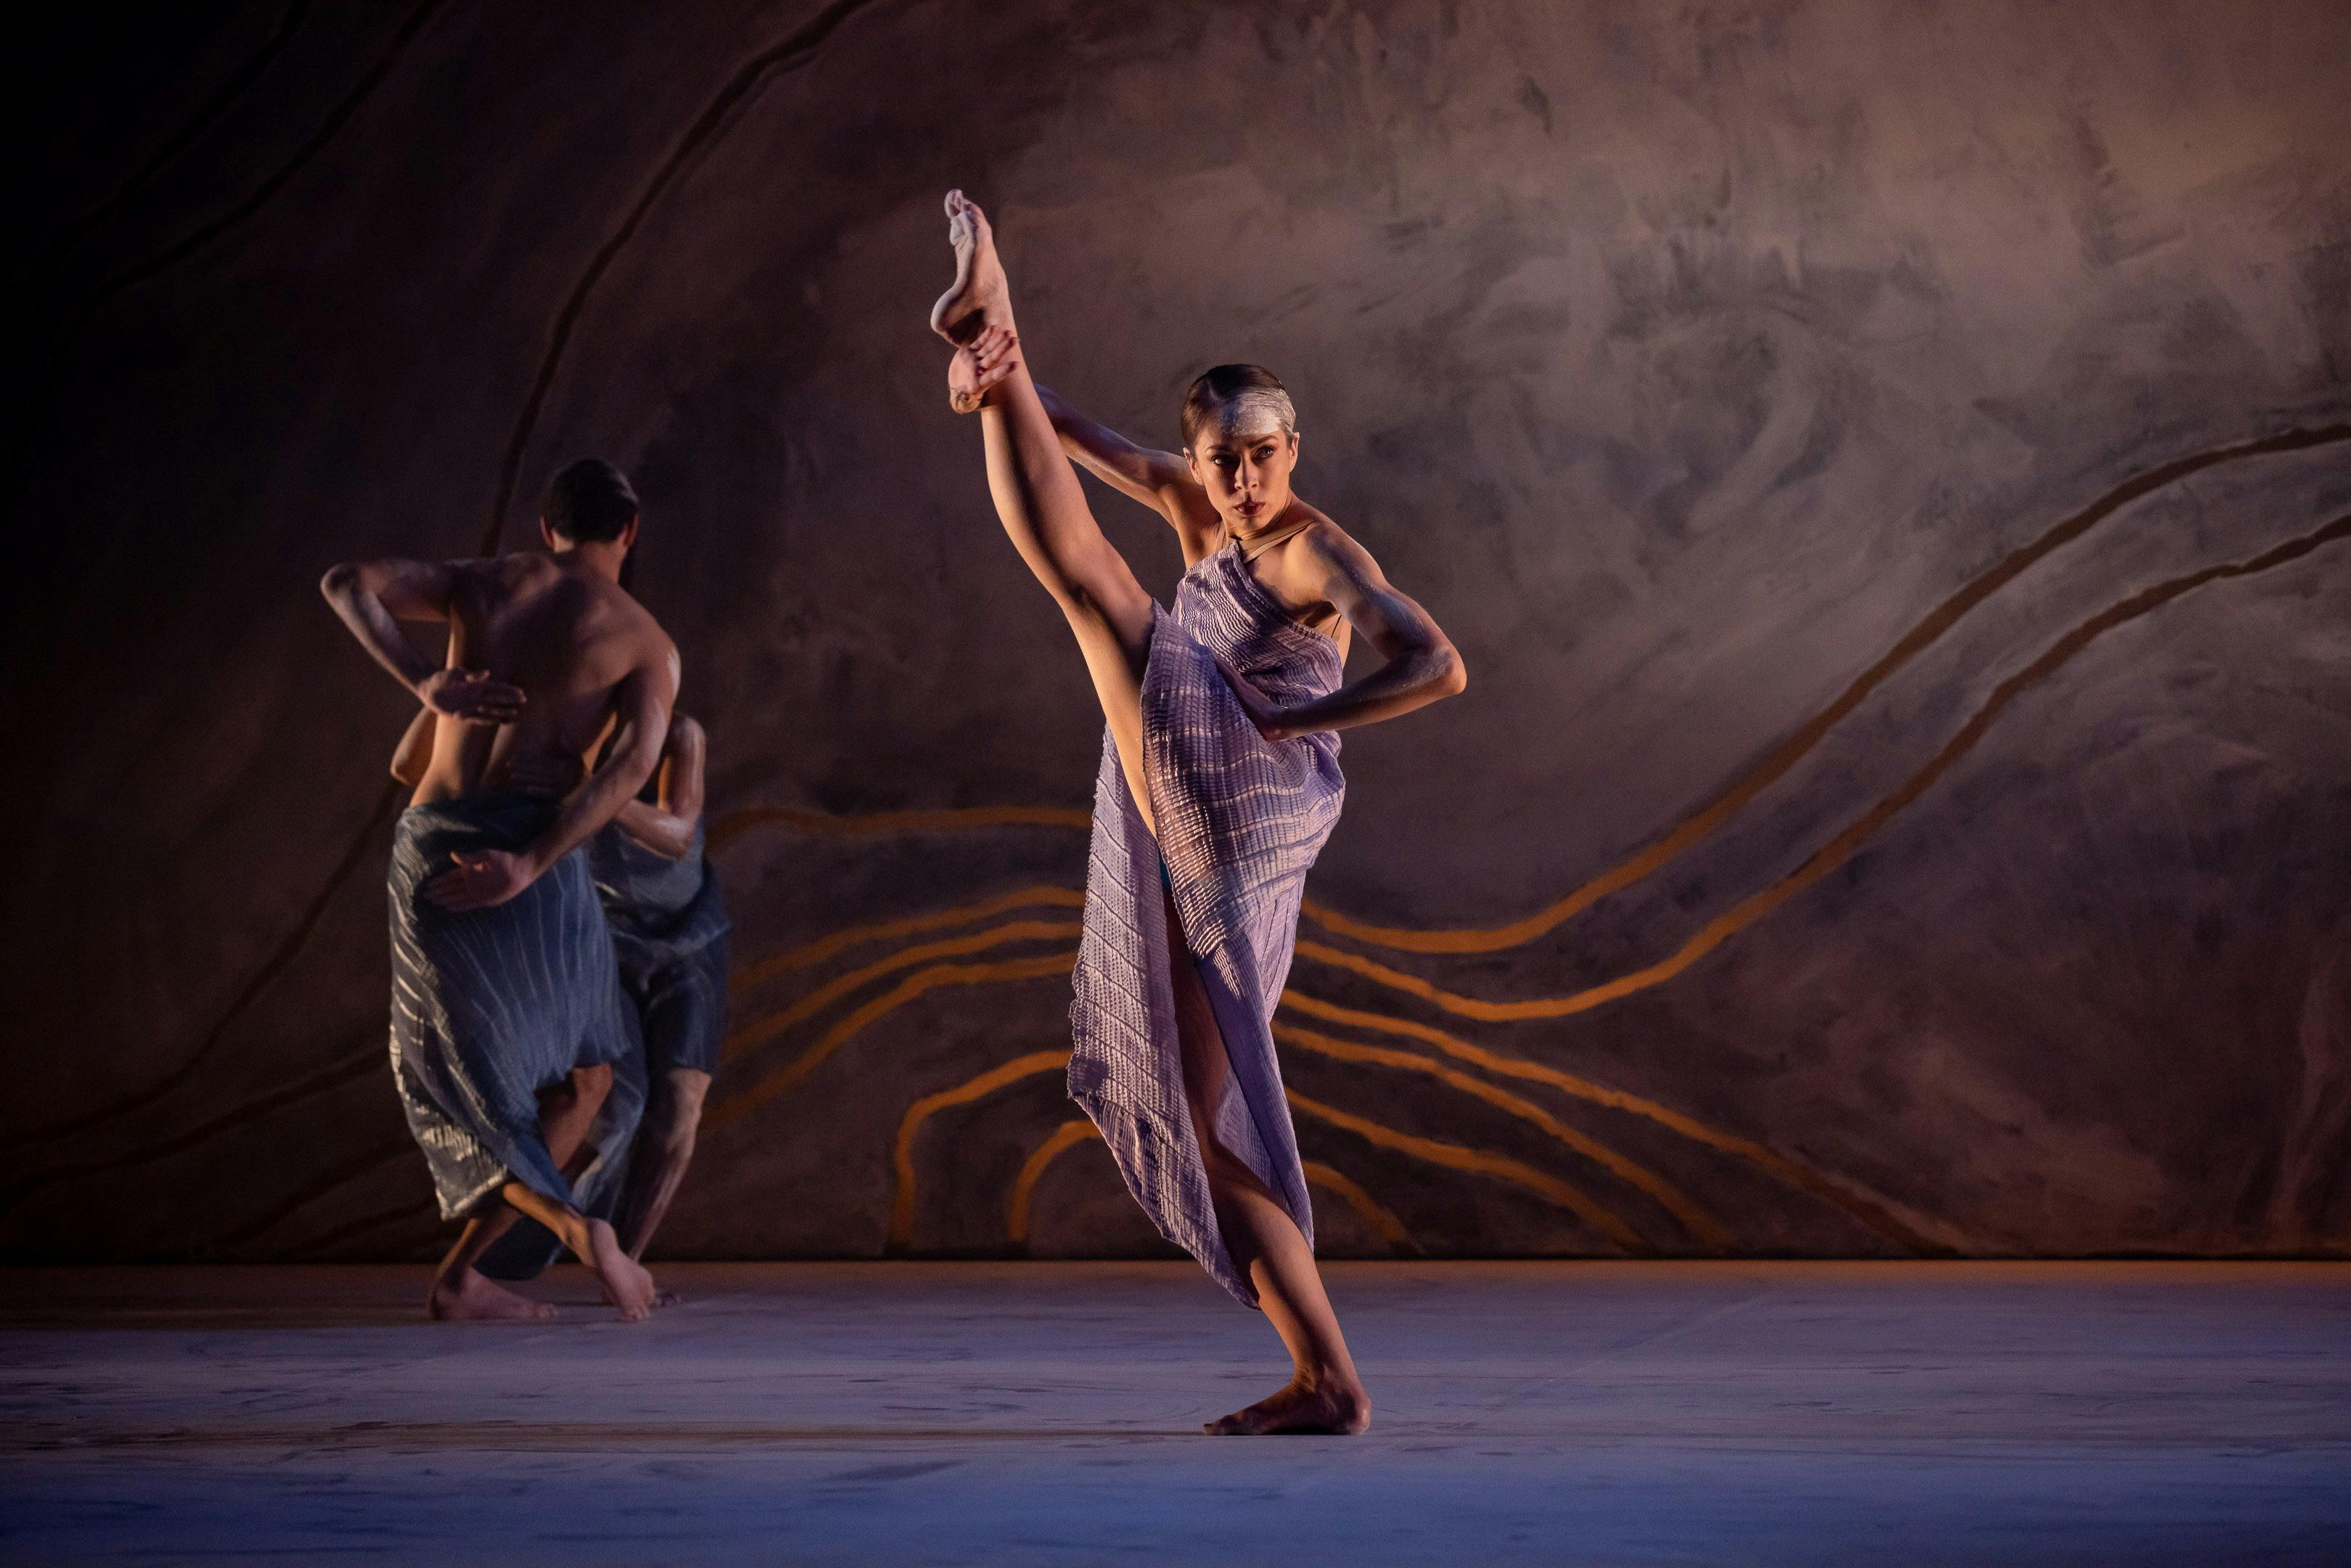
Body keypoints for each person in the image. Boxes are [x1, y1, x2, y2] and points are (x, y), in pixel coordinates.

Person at [929, 190, 1467, 1434]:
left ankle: (993, 304)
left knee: (1098, 597)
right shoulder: (1196, 505)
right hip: (1216, 817)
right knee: (1193, 1111)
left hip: (1250, 784)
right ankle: (1327, 1379)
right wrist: (990, 381)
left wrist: (1303, 718)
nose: (1241, 479)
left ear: (1293, 449)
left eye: (1261, 455)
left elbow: (1437, 665)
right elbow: (1075, 436)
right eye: (1221, 459)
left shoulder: (1311, 552)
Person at [319, 457, 680, 1323]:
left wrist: (423, 679)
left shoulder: (484, 584)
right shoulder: (647, 642)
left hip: (441, 847)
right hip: (538, 861)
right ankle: (553, 1238)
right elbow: (629, 771)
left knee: (464, 1085)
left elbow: (345, 583)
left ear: (548, 530)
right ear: (629, 532)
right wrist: (532, 863)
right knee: (585, 1081)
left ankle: (479, 1271)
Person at [390, 707, 729, 1274]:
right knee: (611, 1105)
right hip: (601, 927)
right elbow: (411, 766)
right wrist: (448, 706)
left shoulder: (668, 725)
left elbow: (677, 834)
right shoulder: (535, 708)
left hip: (684, 933)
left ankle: (625, 1259)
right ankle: (540, 1247)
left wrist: (598, 794)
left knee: (676, 1108)